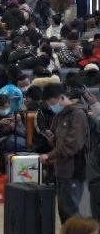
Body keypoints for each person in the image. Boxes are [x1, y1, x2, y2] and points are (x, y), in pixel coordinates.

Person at [41, 83, 89, 223]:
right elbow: (59, 143)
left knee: (72, 211)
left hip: (74, 170)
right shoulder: (59, 116)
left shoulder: (78, 114)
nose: (51, 107)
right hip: (61, 169)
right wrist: (52, 139)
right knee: (63, 211)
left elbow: (73, 144)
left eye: (52, 103)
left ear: (62, 97)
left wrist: (50, 155)